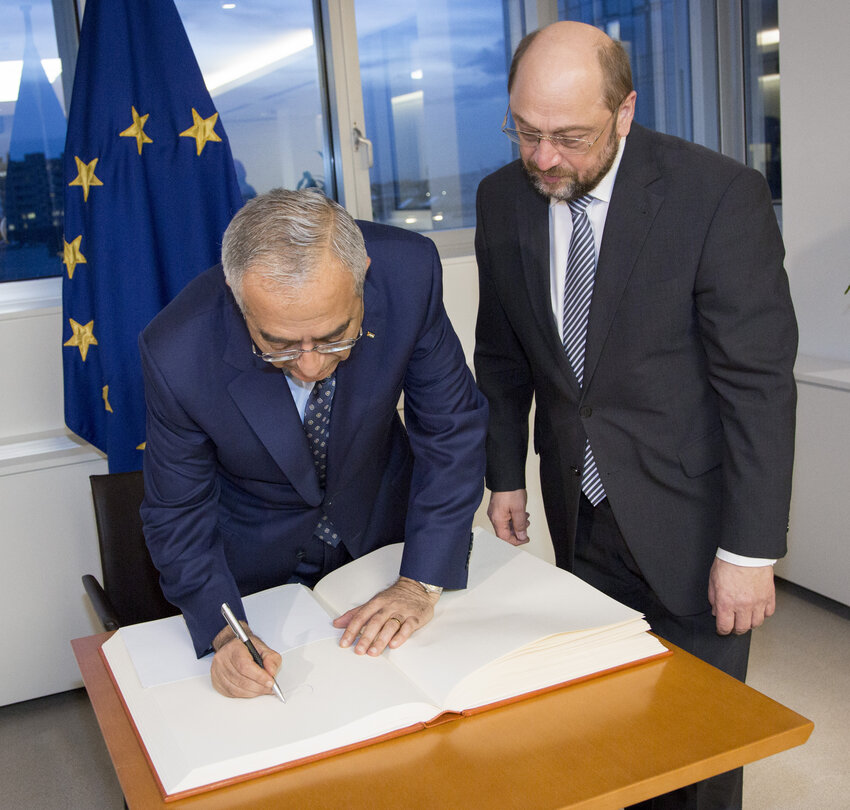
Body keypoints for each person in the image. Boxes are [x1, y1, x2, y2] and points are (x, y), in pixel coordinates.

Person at [474, 22, 797, 809]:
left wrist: (751, 550)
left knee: (700, 742)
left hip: (694, 521)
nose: (544, 157)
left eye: (569, 137)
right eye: (526, 131)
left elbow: (756, 383)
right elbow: (504, 351)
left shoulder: (716, 197)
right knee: (604, 723)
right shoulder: (501, 198)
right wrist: (505, 475)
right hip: (578, 513)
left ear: (625, 113)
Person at [140, 188, 487, 700]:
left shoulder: (407, 274)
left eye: (335, 336)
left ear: (363, 273)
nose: (310, 366)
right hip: (255, 571)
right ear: (238, 299)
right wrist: (225, 631)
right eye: (278, 344)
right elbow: (177, 511)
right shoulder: (179, 351)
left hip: (382, 542)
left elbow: (450, 429)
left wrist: (419, 581)